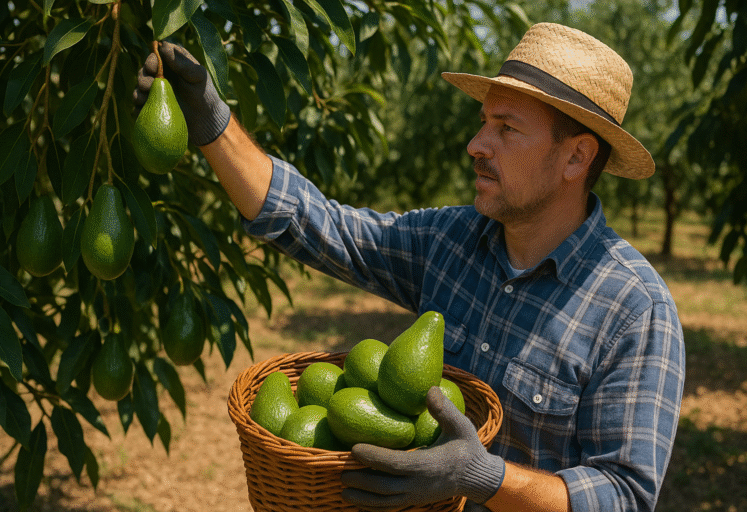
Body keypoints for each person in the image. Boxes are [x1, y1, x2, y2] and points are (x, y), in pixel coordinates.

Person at [134, 22, 684, 512]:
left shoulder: (634, 311)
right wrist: (211, 121)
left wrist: (484, 478)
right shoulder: (452, 240)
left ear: (576, 157)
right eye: (483, 122)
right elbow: (319, 225)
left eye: (506, 128)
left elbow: (624, 496)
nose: (476, 144)